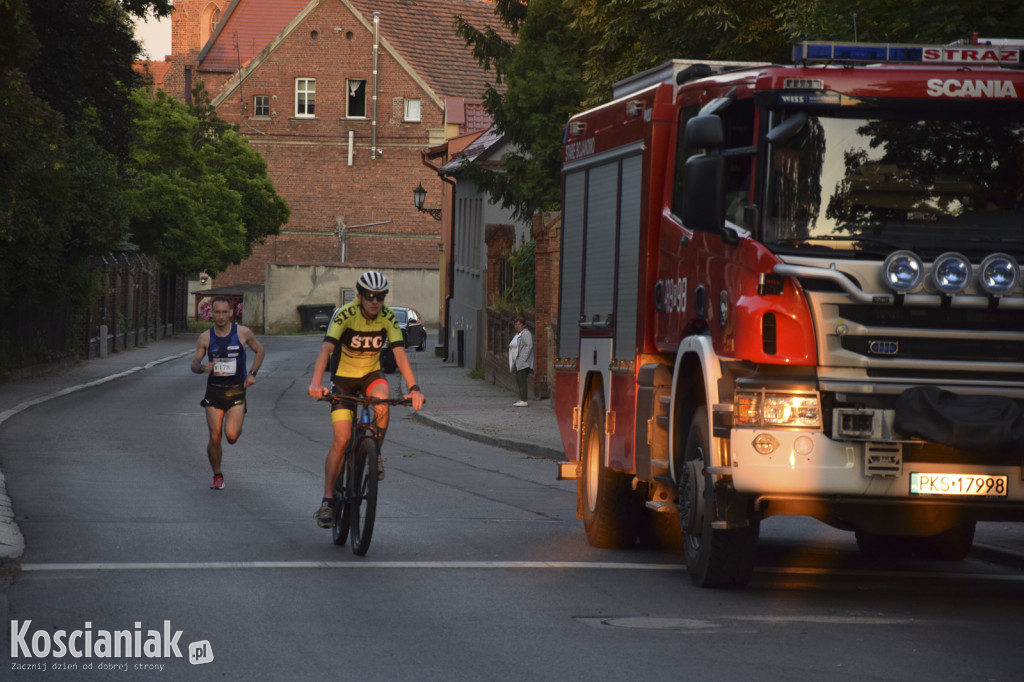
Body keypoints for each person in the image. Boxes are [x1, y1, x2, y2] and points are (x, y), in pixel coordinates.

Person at [307, 271, 425, 528]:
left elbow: (400, 354)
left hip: (372, 374)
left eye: (380, 297)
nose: (375, 302)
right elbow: (326, 349)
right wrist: (316, 383)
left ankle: (375, 452)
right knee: (341, 439)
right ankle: (327, 501)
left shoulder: (388, 317)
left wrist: (414, 387)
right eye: (370, 296)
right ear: (359, 297)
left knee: (382, 401)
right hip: (344, 380)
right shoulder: (345, 315)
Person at [190, 295, 265, 490]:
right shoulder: (205, 337)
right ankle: (217, 475)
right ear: (211, 314)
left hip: (236, 392)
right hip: (214, 392)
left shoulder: (243, 333)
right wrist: (201, 367)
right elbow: (194, 363)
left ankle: (236, 425)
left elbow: (260, 351)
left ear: (231, 312)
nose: (221, 316)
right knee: (215, 436)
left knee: (231, 436)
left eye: (225, 312)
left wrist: (252, 374)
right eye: (217, 312)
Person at [508, 315, 534, 407]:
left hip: (523, 362)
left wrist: (523, 358)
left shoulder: (526, 334)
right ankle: (522, 398)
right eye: (515, 324)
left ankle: (524, 400)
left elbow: (529, 346)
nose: (517, 326)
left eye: (519, 324)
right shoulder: (518, 335)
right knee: (519, 380)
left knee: (522, 380)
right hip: (518, 362)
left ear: (523, 325)